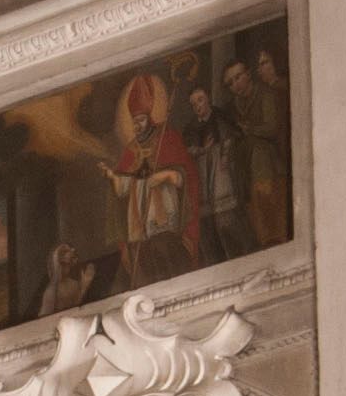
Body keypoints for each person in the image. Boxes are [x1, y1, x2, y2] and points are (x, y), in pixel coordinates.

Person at [98, 73, 199, 289]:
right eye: (134, 122)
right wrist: (112, 176)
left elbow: (184, 174)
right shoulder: (130, 151)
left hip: (166, 219)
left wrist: (165, 175)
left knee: (168, 254)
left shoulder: (167, 138)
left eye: (141, 120)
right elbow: (123, 185)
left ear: (150, 118)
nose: (137, 126)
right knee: (148, 261)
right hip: (141, 223)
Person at [223, 55, 288, 252]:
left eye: (238, 77)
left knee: (274, 223)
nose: (236, 84)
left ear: (248, 74)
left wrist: (249, 130)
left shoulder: (266, 94)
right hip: (248, 170)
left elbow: (272, 127)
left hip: (269, 166)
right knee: (258, 225)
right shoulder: (233, 107)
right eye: (230, 83)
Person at [183, 85, 253, 266]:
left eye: (200, 100)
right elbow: (188, 151)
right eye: (193, 104)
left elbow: (234, 136)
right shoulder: (190, 128)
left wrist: (224, 152)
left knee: (227, 222)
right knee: (209, 227)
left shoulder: (221, 117)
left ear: (208, 98)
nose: (198, 106)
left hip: (223, 174)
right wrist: (201, 150)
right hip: (203, 177)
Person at [37, 241, 96, 318]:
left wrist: (84, 286)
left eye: (67, 264)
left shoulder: (73, 284)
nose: (63, 268)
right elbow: (44, 318)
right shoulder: (51, 290)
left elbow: (75, 309)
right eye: (61, 264)